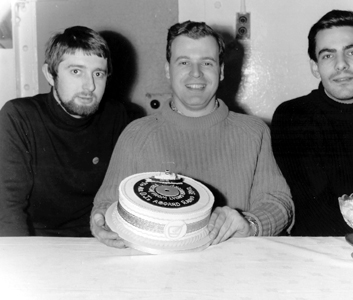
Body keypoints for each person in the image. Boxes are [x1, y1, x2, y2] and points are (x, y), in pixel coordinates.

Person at [91, 20, 294, 248]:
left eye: (207, 63)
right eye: (184, 62)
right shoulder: (136, 134)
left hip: (233, 268)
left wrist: (251, 224)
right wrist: (102, 221)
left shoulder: (254, 132)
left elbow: (278, 203)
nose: (196, 73)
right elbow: (107, 204)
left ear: (222, 70)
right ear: (168, 69)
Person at [271, 10, 353, 236]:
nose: (341, 64)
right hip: (316, 251)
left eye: (352, 52)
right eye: (327, 55)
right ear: (315, 67)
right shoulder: (292, 116)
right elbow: (314, 206)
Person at [0, 26, 131, 237]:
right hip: (36, 244)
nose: (89, 86)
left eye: (98, 73)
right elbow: (7, 209)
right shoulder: (18, 117)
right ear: (50, 75)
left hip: (96, 241)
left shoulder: (116, 116)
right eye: (76, 71)